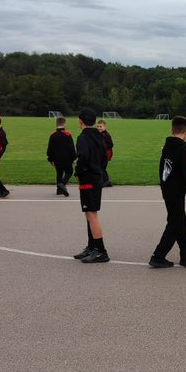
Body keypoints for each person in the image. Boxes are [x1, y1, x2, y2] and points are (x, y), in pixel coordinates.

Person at [149, 116, 186, 269]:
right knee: (175, 223)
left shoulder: (167, 146)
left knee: (181, 222)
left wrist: (163, 185)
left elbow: (162, 168)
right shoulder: (183, 148)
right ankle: (158, 256)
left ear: (172, 130)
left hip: (168, 189)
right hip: (176, 190)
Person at [72, 109, 110, 263]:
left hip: (88, 178)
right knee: (89, 213)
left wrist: (78, 170)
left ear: (80, 121)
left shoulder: (83, 137)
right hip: (96, 176)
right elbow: (104, 157)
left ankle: (101, 251)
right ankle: (92, 246)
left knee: (91, 214)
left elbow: (83, 157)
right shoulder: (99, 136)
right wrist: (99, 169)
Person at [46, 116, 76, 197]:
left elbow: (50, 148)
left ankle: (59, 190)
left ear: (56, 124)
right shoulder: (67, 134)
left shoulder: (52, 135)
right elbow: (71, 147)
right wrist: (74, 157)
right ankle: (62, 184)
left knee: (59, 173)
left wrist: (50, 159)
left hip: (56, 159)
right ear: (64, 124)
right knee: (69, 172)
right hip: (67, 158)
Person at [97, 120, 114, 187]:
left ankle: (106, 181)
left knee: (101, 167)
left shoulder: (106, 135)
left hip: (106, 154)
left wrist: (103, 147)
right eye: (98, 126)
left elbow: (111, 145)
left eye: (100, 126)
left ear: (105, 127)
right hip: (102, 154)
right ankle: (106, 181)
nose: (99, 128)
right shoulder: (100, 134)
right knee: (101, 167)